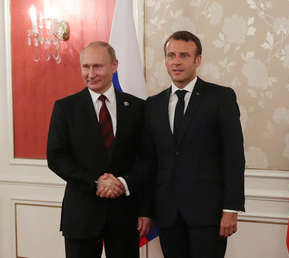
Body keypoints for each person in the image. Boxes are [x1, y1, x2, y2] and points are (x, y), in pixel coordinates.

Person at [127, 31, 245, 258]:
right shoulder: (153, 105)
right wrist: (145, 210)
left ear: (197, 60)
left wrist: (231, 209)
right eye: (171, 55)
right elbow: (149, 162)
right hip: (168, 215)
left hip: (208, 215)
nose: (176, 61)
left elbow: (233, 157)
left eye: (184, 55)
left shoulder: (220, 98)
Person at [47, 41, 150, 258]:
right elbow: (56, 157)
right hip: (81, 216)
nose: (90, 74)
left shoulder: (138, 108)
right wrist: (96, 181)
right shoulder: (65, 108)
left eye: (98, 66)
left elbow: (147, 159)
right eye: (86, 67)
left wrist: (123, 184)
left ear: (114, 66)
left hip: (125, 215)